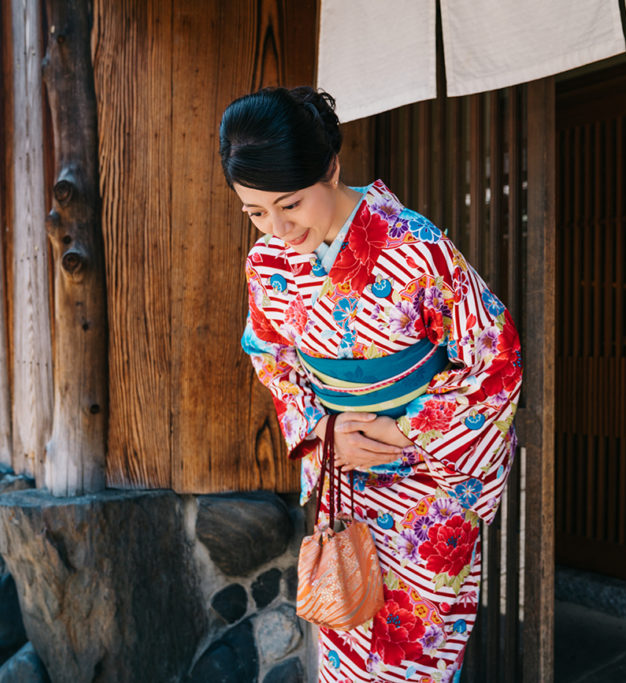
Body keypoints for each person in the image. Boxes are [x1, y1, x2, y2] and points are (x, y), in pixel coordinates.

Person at [220, 85, 522, 683]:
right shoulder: (267, 268)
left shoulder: (416, 246)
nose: (278, 229)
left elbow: (495, 359)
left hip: (425, 489)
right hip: (346, 478)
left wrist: (399, 432)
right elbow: (272, 357)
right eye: (256, 213)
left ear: (331, 167)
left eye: (291, 205)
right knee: (346, 634)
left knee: (414, 656)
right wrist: (324, 431)